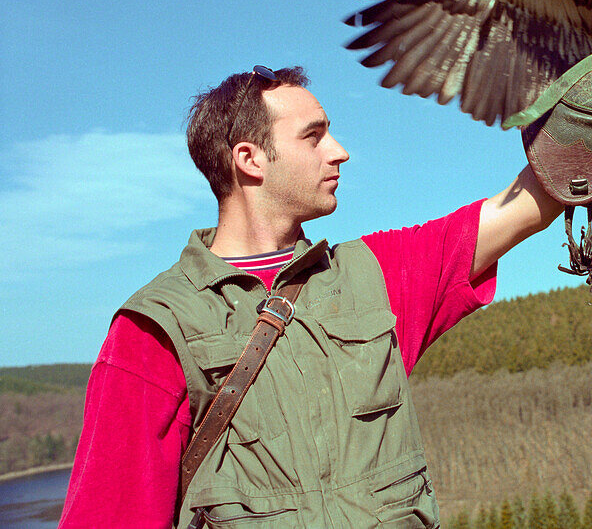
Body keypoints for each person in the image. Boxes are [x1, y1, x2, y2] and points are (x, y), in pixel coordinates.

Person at [59, 66, 564, 528]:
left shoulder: (374, 276)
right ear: (249, 159)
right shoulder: (156, 327)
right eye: (313, 136)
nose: (339, 151)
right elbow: (109, 513)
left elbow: (523, 206)